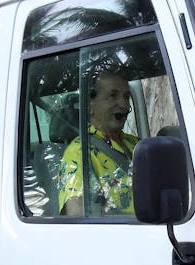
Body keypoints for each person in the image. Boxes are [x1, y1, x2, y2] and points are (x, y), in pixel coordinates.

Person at [58, 72, 138, 216]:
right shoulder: (77, 153)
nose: (124, 104)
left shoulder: (135, 142)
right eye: (113, 95)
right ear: (90, 106)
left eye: (126, 97)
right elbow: (77, 216)